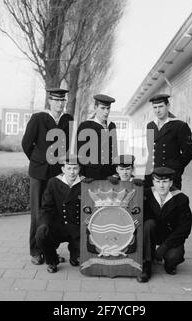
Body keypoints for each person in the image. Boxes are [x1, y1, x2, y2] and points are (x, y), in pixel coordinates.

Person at [22, 88, 73, 265]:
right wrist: (38, 160)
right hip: (38, 173)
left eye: (62, 101)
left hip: (56, 174)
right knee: (37, 213)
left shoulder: (68, 120)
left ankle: (49, 251)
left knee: (53, 212)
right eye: (56, 101)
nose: (60, 104)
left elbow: (67, 146)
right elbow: (26, 144)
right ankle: (36, 251)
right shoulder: (38, 119)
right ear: (49, 102)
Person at [137, 167, 192, 283]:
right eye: (157, 182)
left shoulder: (181, 199)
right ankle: (147, 265)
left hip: (170, 235)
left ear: (171, 183)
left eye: (165, 182)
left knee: (173, 259)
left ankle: (169, 263)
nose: (161, 186)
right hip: (152, 233)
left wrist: (164, 247)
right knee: (148, 224)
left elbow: (184, 228)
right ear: (153, 182)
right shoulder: (147, 194)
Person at [35, 154, 84, 273]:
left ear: (79, 169)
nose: (72, 172)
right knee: (41, 234)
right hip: (58, 226)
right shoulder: (53, 183)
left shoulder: (85, 183)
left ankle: (74, 254)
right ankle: (52, 261)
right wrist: (43, 224)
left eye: (75, 168)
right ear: (63, 169)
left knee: (83, 252)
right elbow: (46, 208)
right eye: (69, 168)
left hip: (77, 228)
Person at [144, 94, 192, 190]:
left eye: (160, 106)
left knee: (172, 203)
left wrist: (177, 167)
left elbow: (190, 152)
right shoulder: (150, 126)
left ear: (168, 106)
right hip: (153, 174)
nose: (157, 110)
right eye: (154, 107)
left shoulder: (179, 126)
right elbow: (151, 151)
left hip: (171, 175)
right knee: (152, 203)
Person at [76, 94, 118, 180]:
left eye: (108, 108)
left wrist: (114, 172)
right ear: (95, 108)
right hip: (89, 174)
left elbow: (113, 151)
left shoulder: (111, 126)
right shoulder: (85, 126)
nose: (106, 112)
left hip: (108, 174)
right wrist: (81, 175)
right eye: (102, 108)